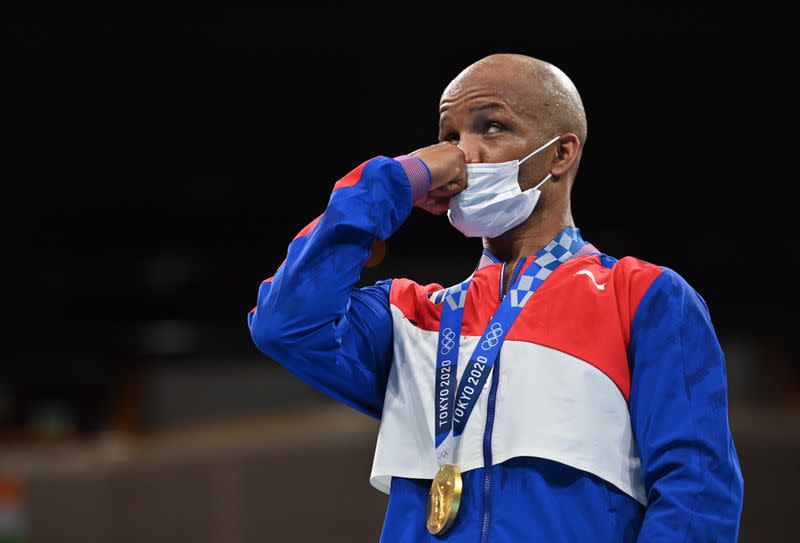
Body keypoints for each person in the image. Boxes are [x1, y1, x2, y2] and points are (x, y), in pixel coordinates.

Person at [247, 53, 744, 542]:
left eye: (492, 128)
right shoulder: (410, 317)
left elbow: (696, 494)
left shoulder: (640, 296)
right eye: (448, 137)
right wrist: (394, 182)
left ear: (560, 153)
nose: (462, 154)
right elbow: (284, 323)